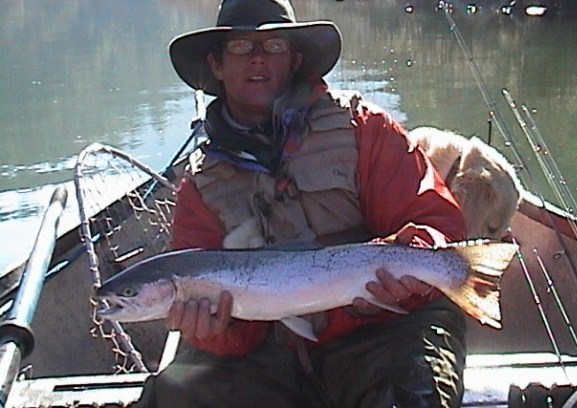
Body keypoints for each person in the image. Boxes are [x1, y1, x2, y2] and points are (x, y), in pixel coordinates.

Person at [136, 0, 467, 407]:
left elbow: (436, 221)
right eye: (241, 46)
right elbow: (233, 340)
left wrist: (415, 265)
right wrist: (212, 329)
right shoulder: (199, 188)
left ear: (294, 59)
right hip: (274, 356)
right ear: (216, 64)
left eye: (273, 45)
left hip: (385, 330)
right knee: (174, 395)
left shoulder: (363, 128)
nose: (257, 58)